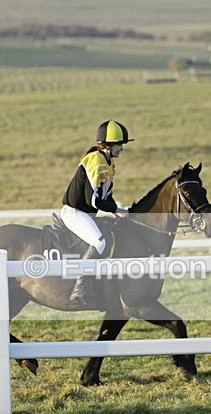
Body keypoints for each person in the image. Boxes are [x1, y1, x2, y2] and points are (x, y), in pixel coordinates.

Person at [61, 120, 133, 306]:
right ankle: (79, 289)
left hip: (86, 213)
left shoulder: (108, 163)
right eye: (120, 144)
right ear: (108, 145)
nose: (122, 149)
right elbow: (94, 200)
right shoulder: (97, 160)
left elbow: (106, 197)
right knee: (99, 242)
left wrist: (119, 211)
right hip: (75, 212)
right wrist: (116, 210)